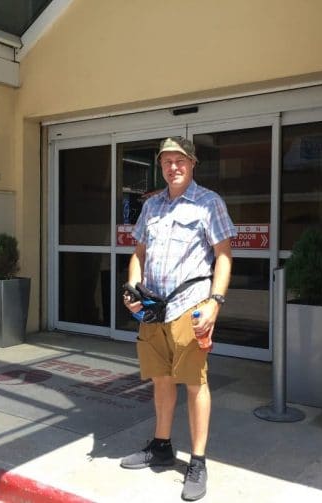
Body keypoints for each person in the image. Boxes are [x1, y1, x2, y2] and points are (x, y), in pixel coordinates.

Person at [120, 137, 236, 501]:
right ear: (161, 165)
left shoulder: (209, 203)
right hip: (153, 309)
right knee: (161, 378)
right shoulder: (151, 205)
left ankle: (198, 461)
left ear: (192, 164)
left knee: (194, 382)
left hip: (190, 306)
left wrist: (215, 302)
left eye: (180, 160)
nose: (173, 167)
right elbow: (139, 252)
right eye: (167, 161)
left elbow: (224, 256)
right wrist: (133, 289)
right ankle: (161, 445)